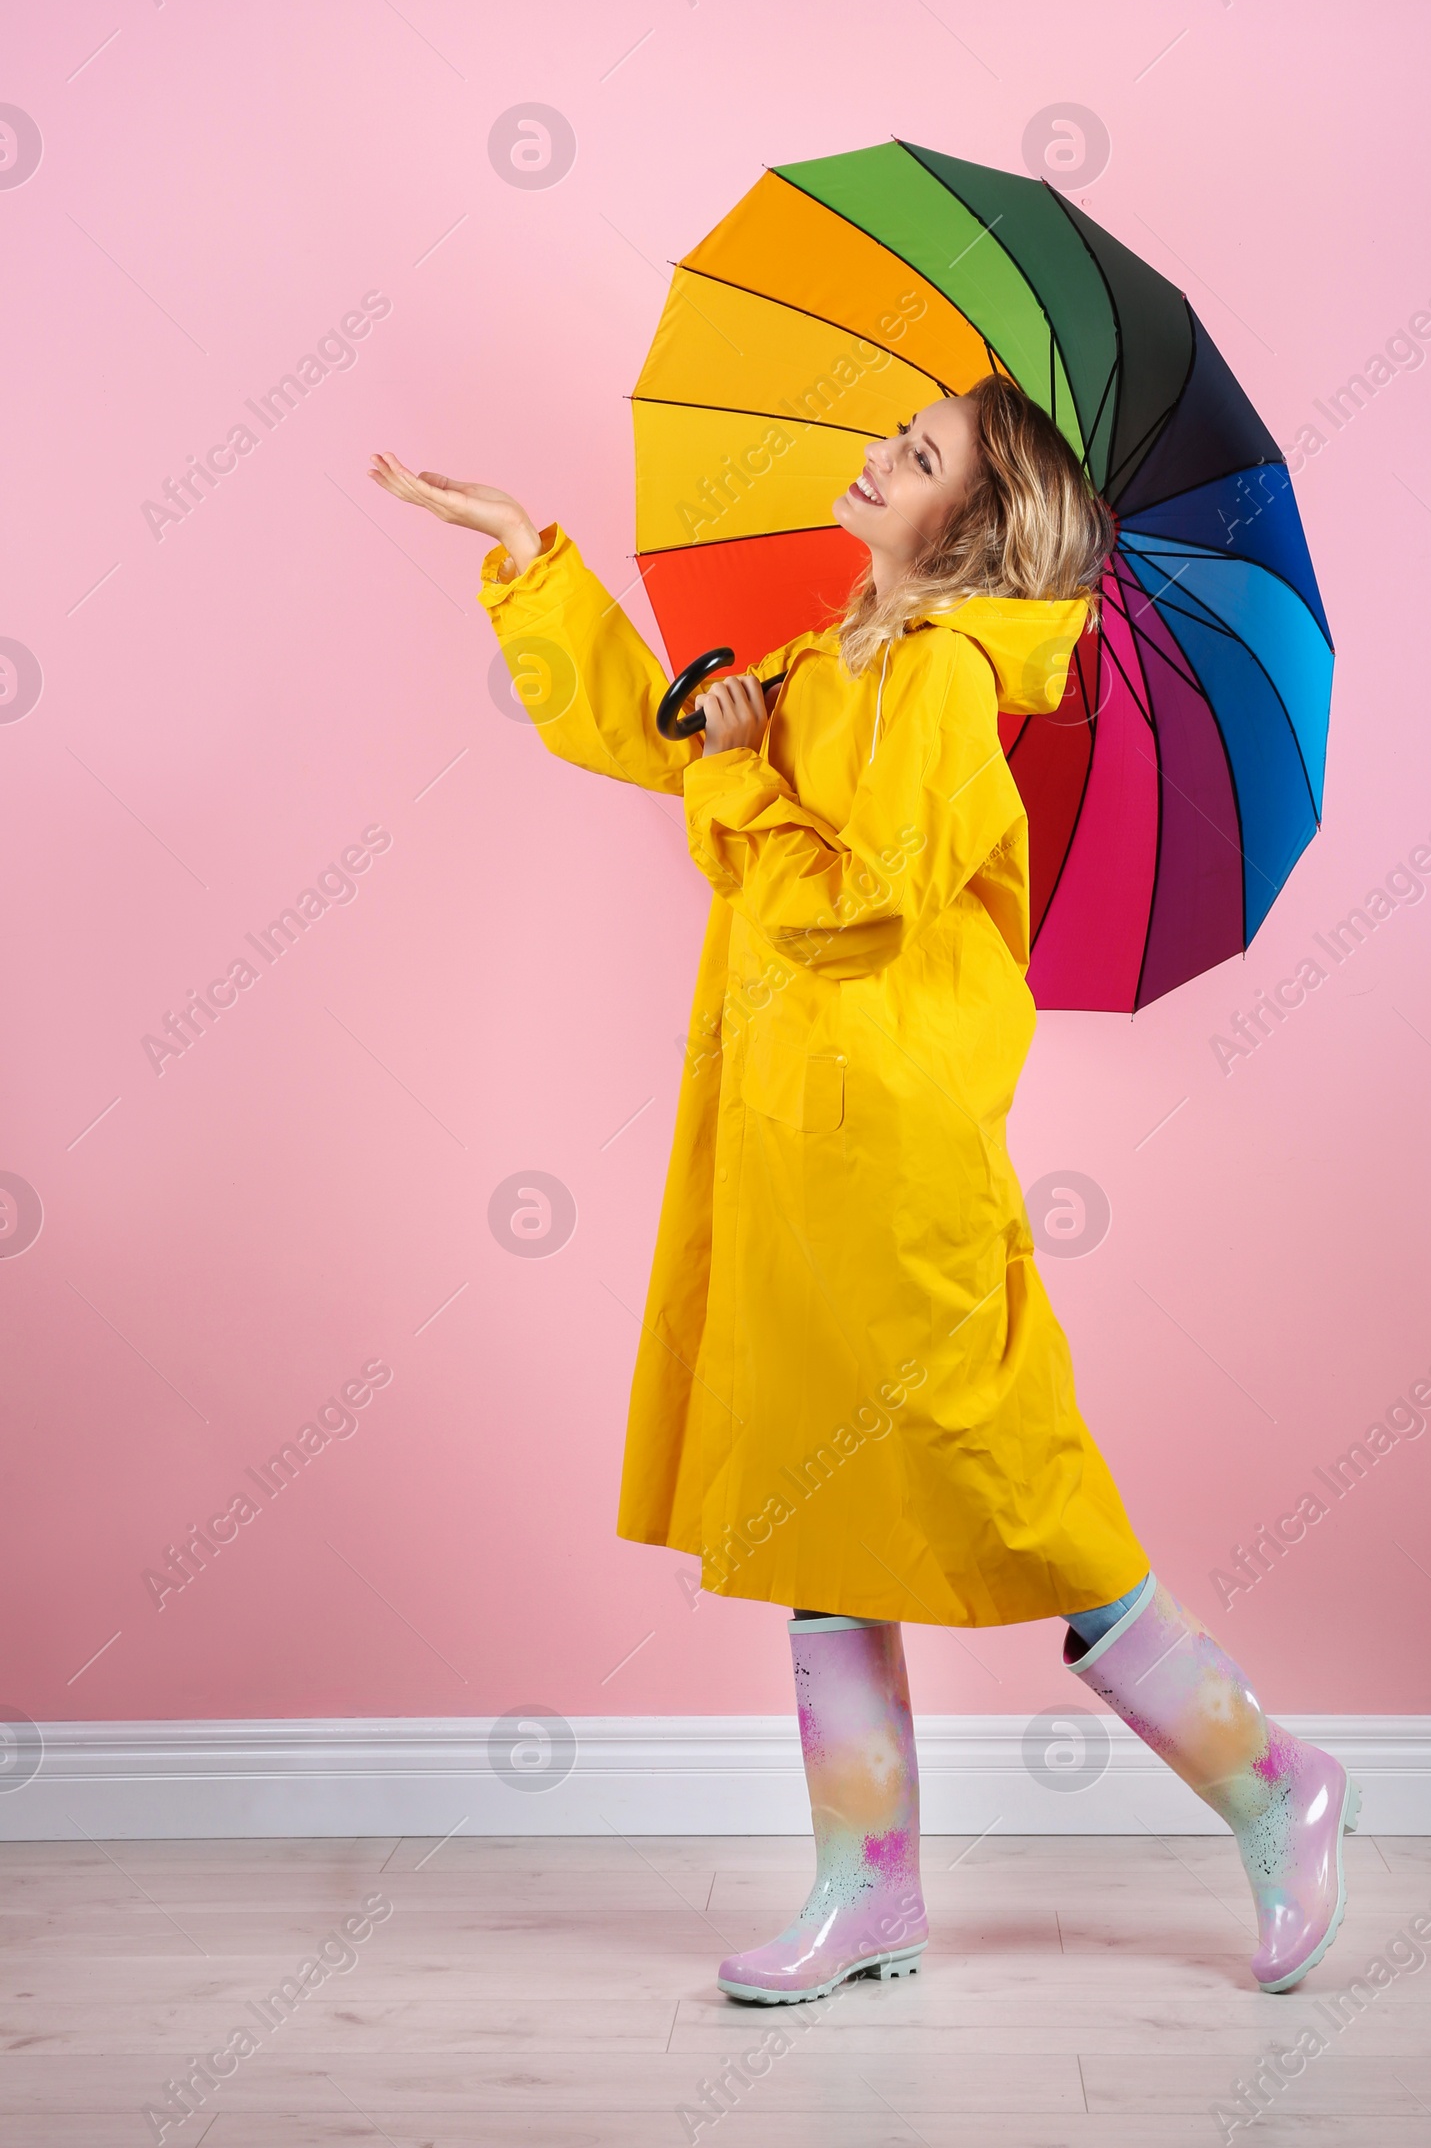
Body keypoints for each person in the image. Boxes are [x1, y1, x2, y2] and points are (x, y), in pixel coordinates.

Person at [369, 377, 1358, 2009]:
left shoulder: (945, 681)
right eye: (893, 437)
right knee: (816, 1499)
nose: (876, 460)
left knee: (1022, 1486)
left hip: (895, 1158)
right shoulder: (837, 661)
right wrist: (531, 559)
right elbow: (650, 731)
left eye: (918, 459)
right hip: (790, 1144)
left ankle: (1274, 1785)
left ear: (967, 527)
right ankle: (867, 1889)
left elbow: (859, 900)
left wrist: (747, 783)